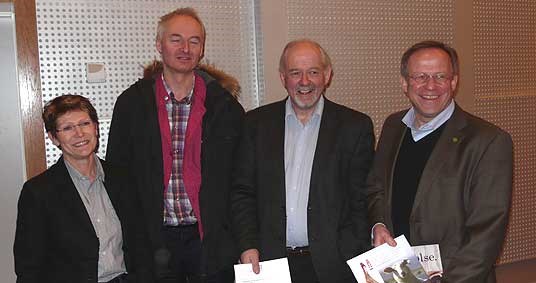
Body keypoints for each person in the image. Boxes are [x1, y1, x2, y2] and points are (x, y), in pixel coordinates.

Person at [106, 7, 244, 283]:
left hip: (210, 241)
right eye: (175, 39)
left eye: (194, 41)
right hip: (154, 242)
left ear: (202, 49)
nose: (185, 48)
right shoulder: (132, 104)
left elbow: (240, 176)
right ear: (159, 45)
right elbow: (118, 176)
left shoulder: (224, 106)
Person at [367, 40, 513, 283]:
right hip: (399, 272)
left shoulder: (489, 141)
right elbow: (376, 188)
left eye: (440, 76)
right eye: (420, 76)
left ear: (454, 81)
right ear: (404, 83)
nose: (430, 86)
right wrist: (379, 224)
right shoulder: (394, 126)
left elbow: (485, 235)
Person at [231, 39, 375, 283]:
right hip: (268, 264)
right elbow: (242, 192)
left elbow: (361, 200)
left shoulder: (355, 127)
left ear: (327, 75)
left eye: (313, 72)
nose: (305, 81)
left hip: (331, 267)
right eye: (295, 73)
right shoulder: (255, 124)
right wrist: (248, 246)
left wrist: (348, 253)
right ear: (283, 77)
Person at [14, 95, 137, 283]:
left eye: (84, 123)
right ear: (54, 138)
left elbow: (141, 244)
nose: (79, 134)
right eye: (68, 128)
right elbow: (29, 267)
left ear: (96, 128)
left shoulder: (123, 179)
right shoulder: (38, 193)